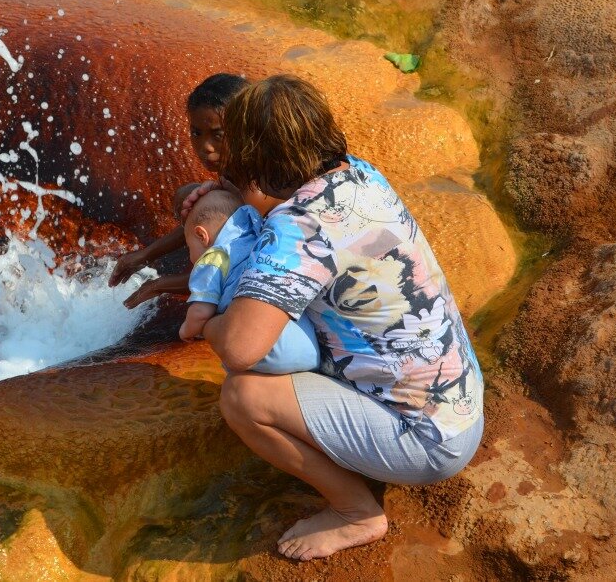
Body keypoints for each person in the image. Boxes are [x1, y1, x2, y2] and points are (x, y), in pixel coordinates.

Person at [194, 74, 484, 561]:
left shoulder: (298, 227)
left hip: (425, 443)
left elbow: (240, 346)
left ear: (253, 155)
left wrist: (203, 320)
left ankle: (356, 512)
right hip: (460, 404)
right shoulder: (360, 176)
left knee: (242, 393)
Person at [109, 73, 260, 307]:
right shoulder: (233, 171)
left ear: (245, 128)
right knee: (189, 195)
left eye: (218, 135)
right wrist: (145, 255)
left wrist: (160, 285)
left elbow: (235, 270)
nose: (205, 147)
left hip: (259, 282)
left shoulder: (257, 185)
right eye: (196, 133)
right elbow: (207, 220)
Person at [178, 189, 321, 375]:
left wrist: (186, 331)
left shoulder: (213, 257)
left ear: (201, 235)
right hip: (309, 349)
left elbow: (200, 312)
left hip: (270, 352)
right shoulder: (261, 235)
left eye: (189, 248)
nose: (191, 258)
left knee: (225, 346)